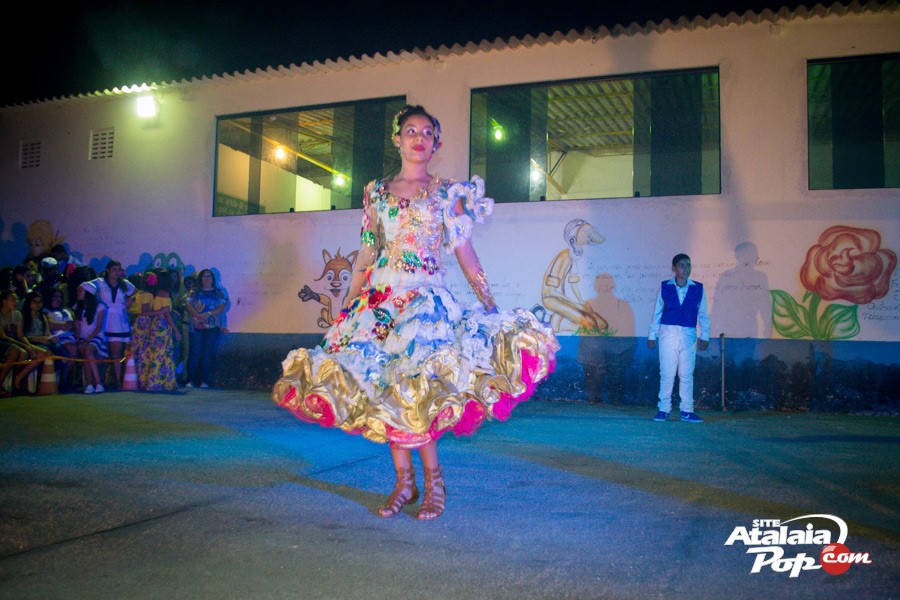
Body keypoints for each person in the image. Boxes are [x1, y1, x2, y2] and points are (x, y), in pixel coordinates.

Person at [272, 105, 559, 520]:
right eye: (411, 131)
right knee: (386, 392)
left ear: (436, 143)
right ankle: (404, 483)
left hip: (426, 305)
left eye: (427, 132)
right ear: (397, 139)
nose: (419, 138)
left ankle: (435, 482)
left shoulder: (448, 194)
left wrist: (490, 305)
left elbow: (464, 253)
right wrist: (349, 303)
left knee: (418, 393)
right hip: (379, 305)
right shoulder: (376, 192)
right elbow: (367, 251)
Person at [647, 253, 710, 423]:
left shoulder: (698, 288)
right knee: (667, 372)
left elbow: (703, 314)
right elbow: (657, 312)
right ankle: (663, 409)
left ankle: (687, 410)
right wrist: (652, 334)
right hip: (668, 333)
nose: (686, 269)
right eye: (682, 265)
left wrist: (705, 335)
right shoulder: (665, 287)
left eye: (688, 265)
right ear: (674, 268)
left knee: (686, 373)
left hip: (689, 334)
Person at [83, 260, 136, 388]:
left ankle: (118, 381)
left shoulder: (125, 284)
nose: (117, 272)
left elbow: (136, 293)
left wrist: (129, 302)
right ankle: (99, 381)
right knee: (102, 352)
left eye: (119, 269)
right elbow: (84, 286)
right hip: (104, 318)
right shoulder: (100, 282)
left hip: (119, 320)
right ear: (108, 270)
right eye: (114, 269)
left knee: (117, 352)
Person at [133, 269, 181, 392]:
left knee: (157, 352)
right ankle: (155, 382)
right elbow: (167, 314)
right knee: (162, 353)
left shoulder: (156, 293)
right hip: (163, 326)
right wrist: (176, 330)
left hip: (155, 324)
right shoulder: (165, 293)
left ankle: (155, 381)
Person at [184, 269, 227, 389]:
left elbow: (222, 307)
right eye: (204, 277)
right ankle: (190, 380)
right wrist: (197, 315)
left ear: (213, 279)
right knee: (194, 352)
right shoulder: (194, 291)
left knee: (207, 353)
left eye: (208, 277)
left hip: (212, 327)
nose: (206, 279)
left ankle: (204, 380)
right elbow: (187, 305)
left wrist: (208, 313)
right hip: (196, 326)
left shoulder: (218, 292)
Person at [14, 290, 55, 393]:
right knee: (43, 354)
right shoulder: (22, 316)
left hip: (41, 343)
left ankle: (41, 384)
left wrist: (51, 338)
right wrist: (36, 340)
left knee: (53, 351)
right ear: (29, 302)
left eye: (40, 302)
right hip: (27, 342)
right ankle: (18, 378)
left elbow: (47, 333)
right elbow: (21, 336)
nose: (37, 304)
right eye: (34, 301)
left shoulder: (42, 316)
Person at [74, 283, 108, 394]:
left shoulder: (100, 306)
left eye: (80, 291)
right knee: (85, 354)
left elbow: (98, 328)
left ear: (88, 293)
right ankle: (89, 384)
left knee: (88, 350)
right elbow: (77, 326)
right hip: (83, 338)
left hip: (96, 337)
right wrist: (79, 341)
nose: (77, 293)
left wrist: (87, 340)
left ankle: (98, 383)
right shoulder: (77, 307)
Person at [43, 285, 78, 392]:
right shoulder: (46, 311)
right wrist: (64, 325)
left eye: (60, 297)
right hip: (57, 337)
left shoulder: (67, 310)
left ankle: (67, 379)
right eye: (55, 296)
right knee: (72, 349)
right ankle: (64, 380)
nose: (58, 299)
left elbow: (74, 323)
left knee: (77, 348)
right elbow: (50, 325)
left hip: (72, 336)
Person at [0, 291, 29, 397]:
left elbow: (20, 335)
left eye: (16, 299)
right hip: (3, 342)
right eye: (13, 299)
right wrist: (23, 345)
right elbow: (3, 336)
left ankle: (15, 383)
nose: (16, 302)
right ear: (4, 301)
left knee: (24, 353)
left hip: (11, 343)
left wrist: (28, 345)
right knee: (15, 350)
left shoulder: (17, 314)